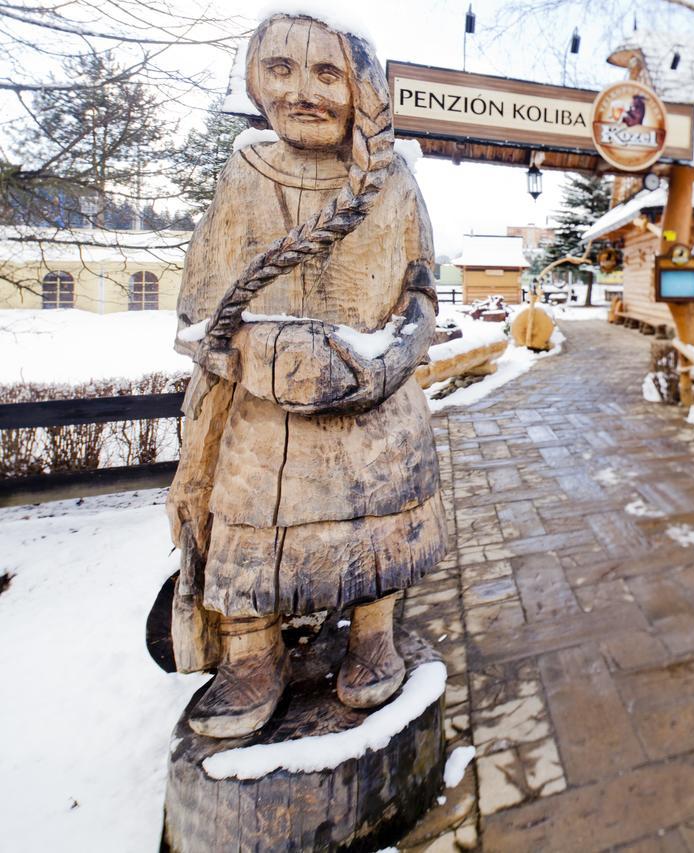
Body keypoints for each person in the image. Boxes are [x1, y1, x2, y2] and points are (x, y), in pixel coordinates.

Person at [166, 13, 446, 737]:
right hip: (266, 420)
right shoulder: (244, 177)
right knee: (253, 525)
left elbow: (421, 288)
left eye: (329, 73)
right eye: (283, 70)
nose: (305, 92)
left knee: (376, 524)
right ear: (256, 81)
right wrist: (257, 357)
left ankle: (372, 629)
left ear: (363, 89)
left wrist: (389, 356)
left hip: (370, 410)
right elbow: (202, 307)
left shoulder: (392, 182)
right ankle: (252, 653)